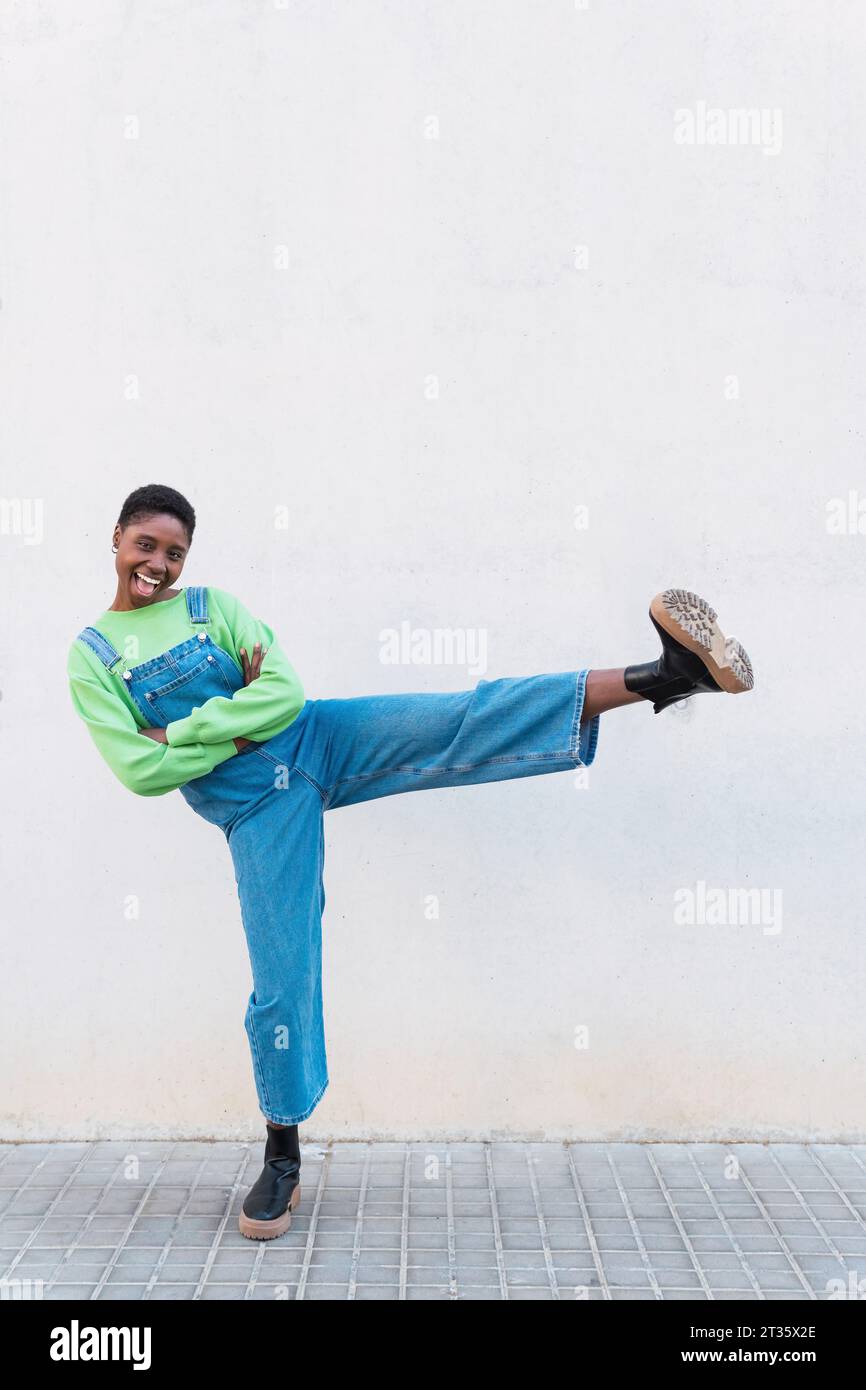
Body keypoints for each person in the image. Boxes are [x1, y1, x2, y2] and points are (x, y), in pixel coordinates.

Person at [67, 483, 755, 1240]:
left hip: (317, 739)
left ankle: (669, 676)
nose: (159, 564)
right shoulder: (93, 656)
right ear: (117, 539)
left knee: (462, 716)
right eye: (147, 547)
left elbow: (286, 697)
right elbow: (136, 770)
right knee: (282, 977)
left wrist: (190, 735)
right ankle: (283, 1155)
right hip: (260, 810)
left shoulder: (212, 609)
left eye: (174, 551)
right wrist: (232, 728)